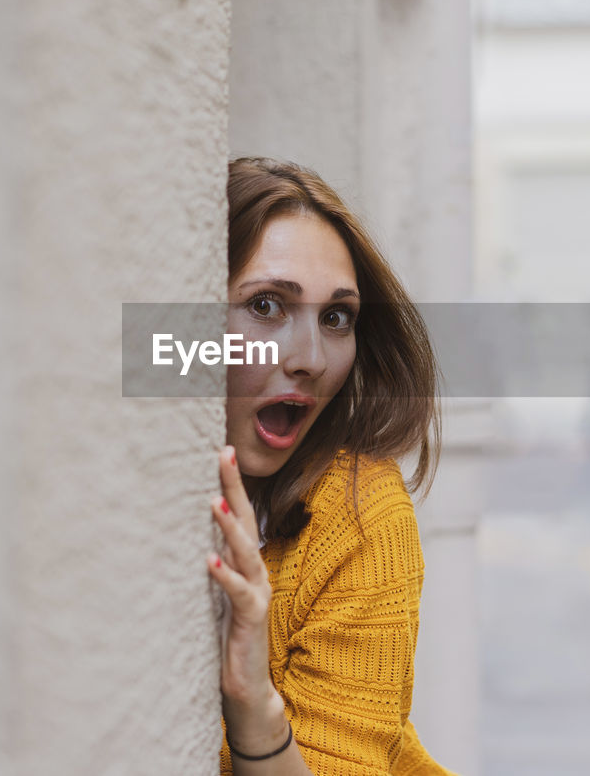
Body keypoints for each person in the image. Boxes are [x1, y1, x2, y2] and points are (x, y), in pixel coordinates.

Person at [206, 157, 454, 775]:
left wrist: (253, 703)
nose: (311, 358)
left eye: (335, 317)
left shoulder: (361, 514)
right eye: (265, 306)